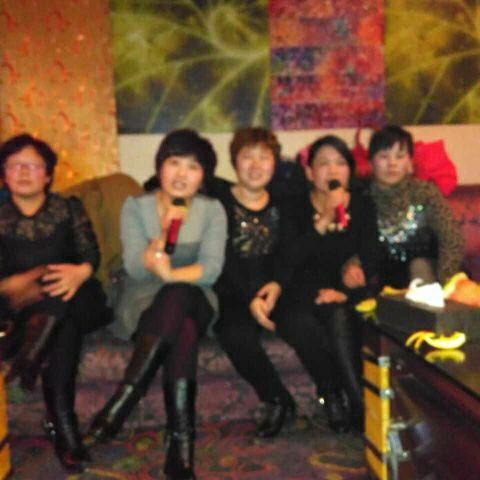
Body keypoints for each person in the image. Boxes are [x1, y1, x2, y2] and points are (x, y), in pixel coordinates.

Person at [88, 129, 227, 480]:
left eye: (193, 167)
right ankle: (181, 444)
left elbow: (211, 270)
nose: (182, 174)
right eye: (174, 163)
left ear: (203, 176)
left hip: (197, 295)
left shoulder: (212, 210)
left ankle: (123, 402)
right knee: (183, 327)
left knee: (179, 294)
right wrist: (163, 235)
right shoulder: (136, 207)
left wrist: (172, 274)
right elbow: (136, 268)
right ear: (160, 167)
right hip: (143, 301)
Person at [0, 133, 108, 473]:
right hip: (22, 306)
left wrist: (80, 273)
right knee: (61, 322)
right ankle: (65, 432)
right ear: (4, 174)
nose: (24, 172)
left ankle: (29, 360)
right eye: (15, 165)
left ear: (48, 174)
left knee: (60, 303)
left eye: (33, 165)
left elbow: (90, 254)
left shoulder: (68, 207)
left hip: (76, 294)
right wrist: (16, 283)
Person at [270, 135, 380, 433]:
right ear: (309, 172)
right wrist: (323, 220)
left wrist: (354, 273)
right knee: (299, 323)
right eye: (323, 164)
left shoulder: (362, 205)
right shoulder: (293, 207)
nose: (332, 171)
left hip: (343, 291)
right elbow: (288, 259)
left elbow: (372, 255)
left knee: (340, 316)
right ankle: (331, 392)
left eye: (340, 163)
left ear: (349, 170)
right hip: (298, 292)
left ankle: (358, 407)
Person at [213, 127, 296, 438]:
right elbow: (223, 257)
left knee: (305, 321)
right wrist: (251, 298)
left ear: (274, 162)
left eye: (264, 157)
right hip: (234, 289)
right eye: (248, 157)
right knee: (233, 331)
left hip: (275, 288)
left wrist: (276, 286)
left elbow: (289, 253)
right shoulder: (219, 203)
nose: (256, 165)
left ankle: (336, 396)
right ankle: (278, 399)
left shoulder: (285, 202)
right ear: (235, 161)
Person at [363, 125, 463, 288]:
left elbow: (452, 240)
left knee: (419, 267)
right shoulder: (362, 197)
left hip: (428, 275)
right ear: (371, 163)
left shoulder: (425, 193)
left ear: (410, 163)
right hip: (381, 277)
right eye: (384, 156)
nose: (392, 163)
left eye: (400, 156)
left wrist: (442, 282)